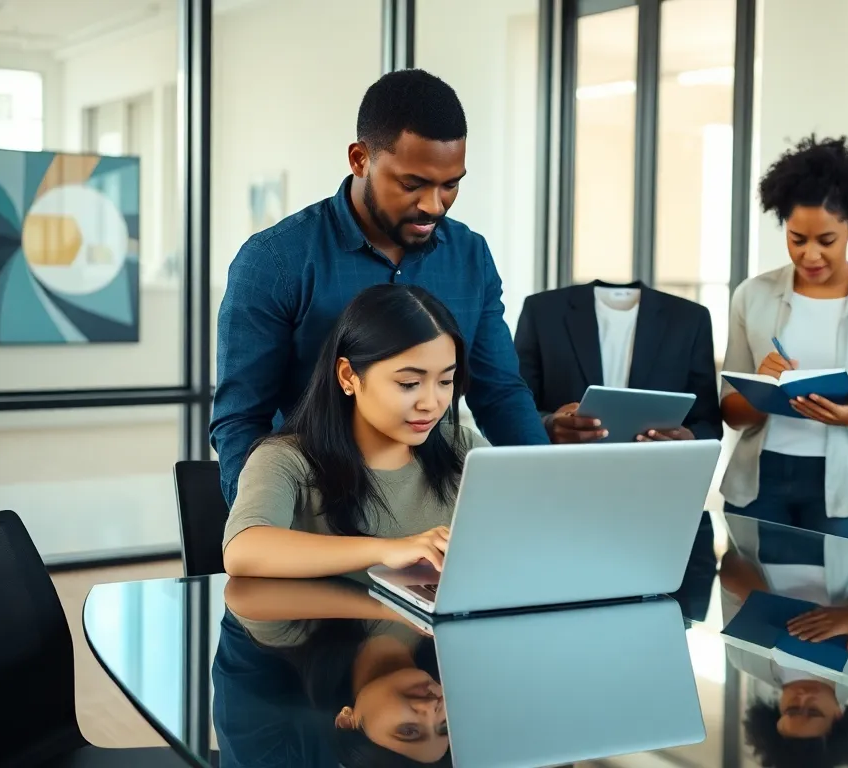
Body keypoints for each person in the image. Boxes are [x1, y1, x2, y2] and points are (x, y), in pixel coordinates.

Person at [211, 68, 546, 505]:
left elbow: (500, 395)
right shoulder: (275, 261)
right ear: (359, 159)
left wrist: (547, 494)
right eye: (412, 184)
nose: (433, 205)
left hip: (436, 512)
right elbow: (240, 421)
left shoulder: (471, 256)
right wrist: (261, 523)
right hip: (315, 508)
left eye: (451, 185)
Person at [718, 134, 848, 543]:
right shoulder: (751, 296)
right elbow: (731, 412)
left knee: (844, 584)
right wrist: (762, 390)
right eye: (797, 239)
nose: (810, 255)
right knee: (754, 584)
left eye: (826, 241)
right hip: (759, 482)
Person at [221, 283, 487, 580]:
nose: (430, 404)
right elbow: (242, 550)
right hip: (325, 612)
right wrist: (388, 550)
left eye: (446, 382)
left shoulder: (465, 449)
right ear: (348, 376)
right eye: (409, 384)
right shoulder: (285, 460)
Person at [718, 516, 848, 766]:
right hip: (845, 537)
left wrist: (766, 607)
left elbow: (730, 566)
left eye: (792, 709)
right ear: (837, 716)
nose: (802, 698)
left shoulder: (744, 658)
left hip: (762, 535)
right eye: (813, 711)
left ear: (778, 717)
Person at [217, 576, 451, 765]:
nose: (432, 709)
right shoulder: (450, 645)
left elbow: (241, 600)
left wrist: (390, 610)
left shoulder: (270, 751)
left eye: (408, 730)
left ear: (347, 721)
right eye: (443, 727)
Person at [513, 280, 723, 443]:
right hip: (563, 472)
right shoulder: (542, 311)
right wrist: (549, 425)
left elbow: (708, 424)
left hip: (658, 474)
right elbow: (514, 404)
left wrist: (688, 438)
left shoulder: (690, 319)